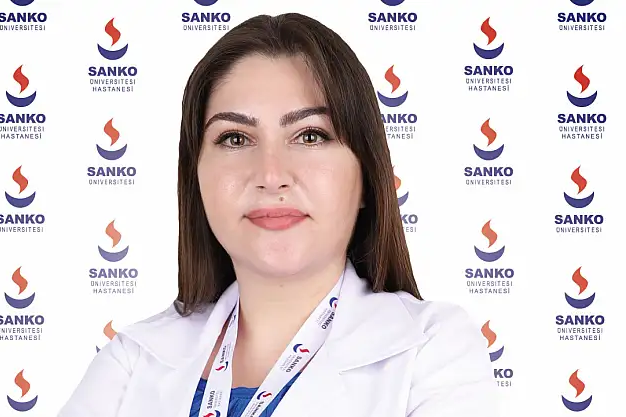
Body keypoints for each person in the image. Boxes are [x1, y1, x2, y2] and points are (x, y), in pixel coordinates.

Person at [58, 12, 498, 417]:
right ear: (196, 178)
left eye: (310, 136)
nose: (271, 176)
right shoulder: (132, 360)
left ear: (366, 175)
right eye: (235, 139)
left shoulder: (431, 351)